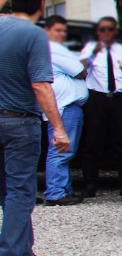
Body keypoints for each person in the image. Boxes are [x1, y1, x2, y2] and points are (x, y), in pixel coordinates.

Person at [0, 0, 70, 256]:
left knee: (8, 190)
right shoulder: (34, 35)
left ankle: (22, 249)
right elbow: (41, 85)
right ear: (42, 6)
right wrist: (59, 128)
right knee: (22, 191)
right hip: (20, 120)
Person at [78, 15, 122, 197]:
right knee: (93, 142)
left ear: (115, 31)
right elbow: (80, 71)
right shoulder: (90, 48)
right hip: (97, 98)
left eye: (110, 29)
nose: (106, 33)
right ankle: (90, 183)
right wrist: (91, 54)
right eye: (102, 29)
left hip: (120, 98)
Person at [39, 16, 88, 206]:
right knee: (60, 151)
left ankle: (63, 189)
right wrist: (83, 59)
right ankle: (55, 192)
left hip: (65, 106)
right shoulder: (53, 49)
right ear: (46, 31)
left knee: (64, 150)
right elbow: (80, 70)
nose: (62, 34)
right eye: (57, 30)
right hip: (64, 106)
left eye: (63, 31)